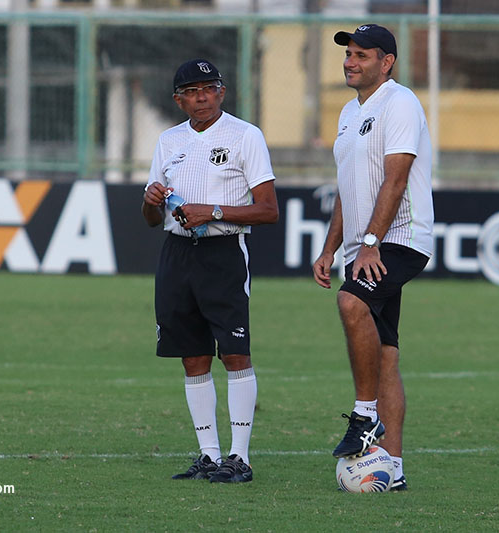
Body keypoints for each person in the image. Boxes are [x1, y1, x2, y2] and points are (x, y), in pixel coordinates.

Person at [141, 59, 278, 484]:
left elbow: (269, 210)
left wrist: (213, 211)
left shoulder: (244, 135)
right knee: (192, 356)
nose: (201, 96)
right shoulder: (168, 141)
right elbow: (151, 218)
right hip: (177, 254)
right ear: (178, 99)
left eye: (209, 88)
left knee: (235, 353)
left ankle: (240, 457)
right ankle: (209, 455)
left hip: (223, 252)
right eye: (192, 90)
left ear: (222, 92)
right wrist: (150, 200)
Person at [312, 24, 434, 492]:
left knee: (350, 303)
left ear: (387, 62)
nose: (350, 61)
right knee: (386, 355)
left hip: (399, 238)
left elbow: (396, 180)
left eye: (362, 54)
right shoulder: (348, 112)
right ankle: (395, 469)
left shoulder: (400, 103)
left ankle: (365, 416)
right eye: (348, 54)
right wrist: (329, 247)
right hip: (365, 242)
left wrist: (369, 242)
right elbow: (348, 188)